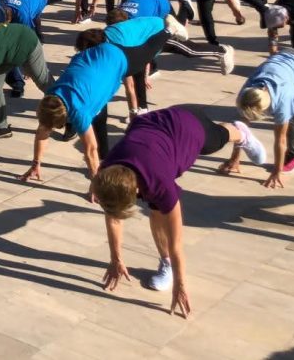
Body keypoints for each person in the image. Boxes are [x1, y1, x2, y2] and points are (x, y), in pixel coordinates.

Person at [94, 105, 266, 315]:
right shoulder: (107, 173)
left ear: (135, 190)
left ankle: (242, 133)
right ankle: (164, 262)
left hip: (188, 126)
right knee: (155, 208)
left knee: (216, 139)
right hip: (156, 125)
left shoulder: (159, 183)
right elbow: (112, 217)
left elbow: (176, 244)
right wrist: (116, 259)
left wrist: (180, 284)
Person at [25, 41, 127, 183]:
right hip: (92, 54)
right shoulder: (51, 97)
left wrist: (95, 184)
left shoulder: (79, 112)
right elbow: (42, 131)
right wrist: (36, 164)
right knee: (96, 111)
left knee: (97, 115)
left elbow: (91, 149)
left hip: (119, 59)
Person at [234, 50, 294, 184]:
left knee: (292, 116)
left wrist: (277, 172)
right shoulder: (247, 92)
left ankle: (293, 158)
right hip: (285, 56)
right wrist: (234, 159)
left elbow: (280, 140)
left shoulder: (283, 101)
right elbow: (241, 128)